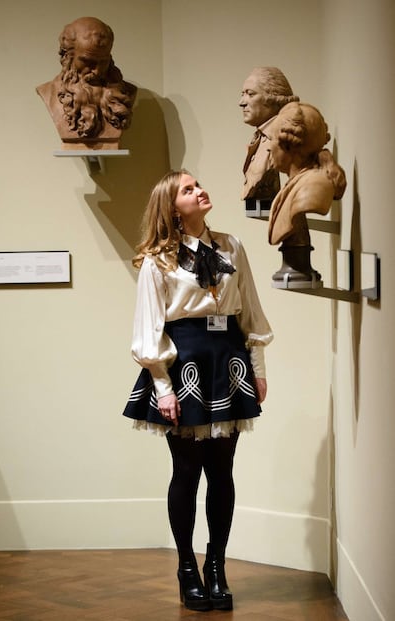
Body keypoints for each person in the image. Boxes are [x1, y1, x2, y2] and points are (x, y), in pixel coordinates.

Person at [123, 170, 273, 611]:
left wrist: (257, 366)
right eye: (188, 189)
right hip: (183, 362)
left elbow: (251, 309)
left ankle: (217, 568)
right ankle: (187, 569)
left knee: (222, 472)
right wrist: (164, 387)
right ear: (173, 207)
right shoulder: (157, 261)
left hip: (228, 359)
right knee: (187, 472)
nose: (200, 191)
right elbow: (148, 328)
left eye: (198, 185)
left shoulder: (232, 246)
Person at [266, 102, 346, 285]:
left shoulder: (314, 186)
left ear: (289, 145)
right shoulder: (294, 184)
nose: (269, 147)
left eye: (272, 139)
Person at [36, 16, 136, 147]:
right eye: (87, 61)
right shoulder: (48, 92)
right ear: (68, 56)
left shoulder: (126, 93)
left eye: (103, 62)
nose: (97, 71)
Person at [239, 67, 299, 206]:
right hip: (261, 204)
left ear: (273, 98)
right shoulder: (260, 138)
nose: (241, 102)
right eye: (242, 94)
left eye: (250, 94)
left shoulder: (286, 140)